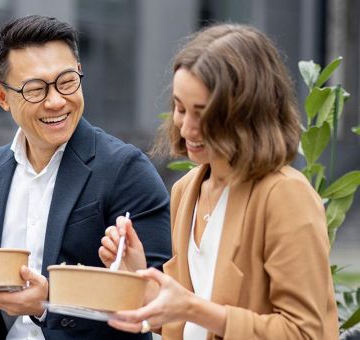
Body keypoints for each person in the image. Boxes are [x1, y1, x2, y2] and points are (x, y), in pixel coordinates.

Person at [0, 15, 171, 340]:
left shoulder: (126, 169)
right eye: (35, 89)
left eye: (67, 81)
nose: (56, 101)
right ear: (2, 97)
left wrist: (47, 303)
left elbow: (157, 304)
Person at [99, 23, 339, 339]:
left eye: (203, 113)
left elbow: (307, 333)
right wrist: (137, 275)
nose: (186, 128)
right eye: (180, 108)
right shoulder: (186, 190)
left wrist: (190, 308)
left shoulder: (285, 194)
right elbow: (182, 321)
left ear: (247, 113)